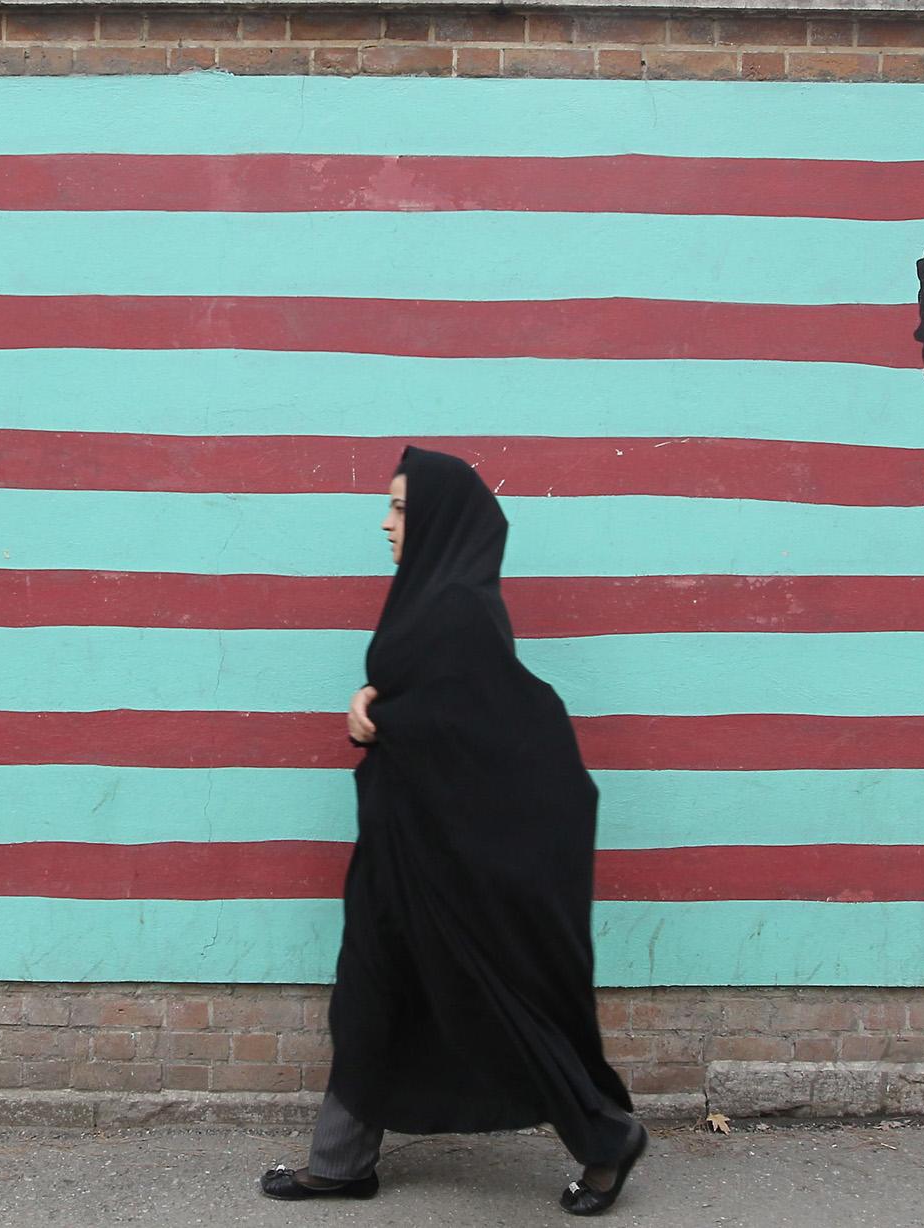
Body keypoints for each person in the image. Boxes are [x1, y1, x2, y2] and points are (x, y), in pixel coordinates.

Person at [258, 447, 648, 1216]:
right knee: (372, 996)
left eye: (400, 507)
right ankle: (341, 1163)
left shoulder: (458, 608)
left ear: (437, 519)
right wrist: (379, 703)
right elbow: (431, 698)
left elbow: (477, 722)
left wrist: (377, 720)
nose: (386, 522)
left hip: (441, 865)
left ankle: (607, 1139)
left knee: (487, 1001)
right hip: (402, 850)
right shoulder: (434, 599)